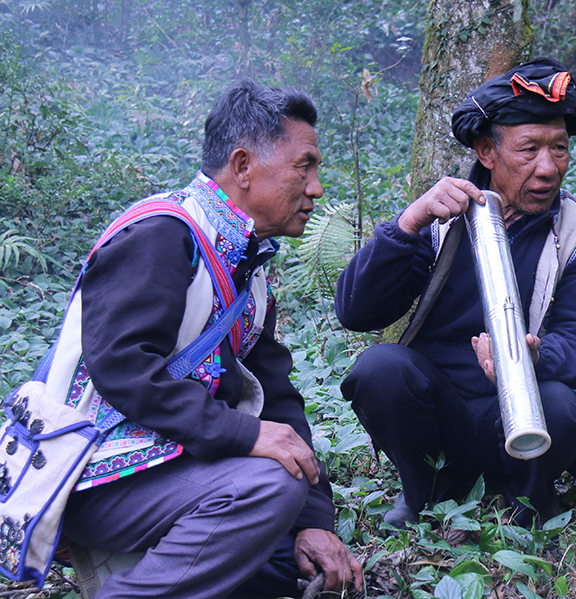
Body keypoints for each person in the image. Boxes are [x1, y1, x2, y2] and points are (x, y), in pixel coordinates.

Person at [48, 80, 363, 598]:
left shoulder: (247, 264)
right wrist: (244, 436)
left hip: (171, 467)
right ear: (242, 166)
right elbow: (123, 367)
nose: (317, 187)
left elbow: (277, 397)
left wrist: (314, 520)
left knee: (297, 566)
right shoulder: (163, 234)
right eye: (304, 166)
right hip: (93, 476)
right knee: (269, 487)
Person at [334, 58, 576, 529]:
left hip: (516, 416)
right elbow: (356, 310)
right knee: (379, 369)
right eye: (529, 150)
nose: (548, 168)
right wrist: (408, 224)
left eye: (560, 149)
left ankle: (528, 500)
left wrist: (530, 355)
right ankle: (422, 491)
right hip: (436, 411)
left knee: (562, 408)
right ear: (487, 152)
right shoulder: (442, 215)